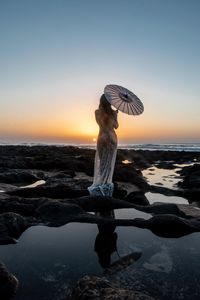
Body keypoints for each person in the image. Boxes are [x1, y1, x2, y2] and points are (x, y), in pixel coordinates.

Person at [88, 94, 119, 197]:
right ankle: (106, 184)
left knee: (102, 162)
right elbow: (116, 126)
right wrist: (115, 115)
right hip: (111, 138)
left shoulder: (97, 112)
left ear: (100, 101)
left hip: (101, 137)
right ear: (110, 102)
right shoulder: (113, 113)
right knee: (109, 163)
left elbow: (99, 124)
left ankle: (101, 183)